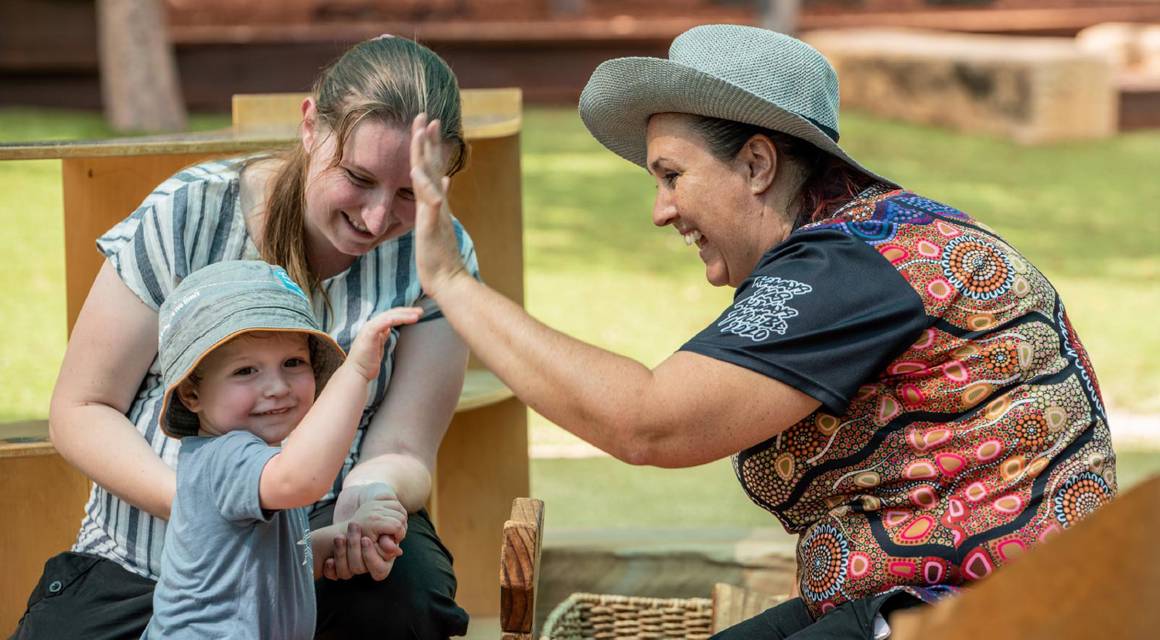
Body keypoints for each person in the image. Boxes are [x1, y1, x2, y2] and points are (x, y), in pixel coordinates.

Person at [408, 24, 1117, 639]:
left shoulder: (850, 267)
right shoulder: (867, 243)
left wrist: (452, 283)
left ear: (756, 164)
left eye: (671, 175)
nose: (660, 211)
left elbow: (650, 425)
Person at [16, 35, 475, 639]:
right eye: (358, 177)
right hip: (147, 557)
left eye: (411, 194)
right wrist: (206, 511)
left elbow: (405, 447)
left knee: (406, 602)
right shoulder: (190, 213)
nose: (374, 218)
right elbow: (81, 408)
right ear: (311, 124)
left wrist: (368, 499)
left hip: (318, 552)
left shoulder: (440, 254)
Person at [143, 260, 420, 639]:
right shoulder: (226, 458)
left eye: (293, 362)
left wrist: (346, 536)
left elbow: (282, 563)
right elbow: (302, 479)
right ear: (192, 394)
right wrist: (356, 373)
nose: (276, 387)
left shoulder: (259, 462)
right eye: (245, 371)